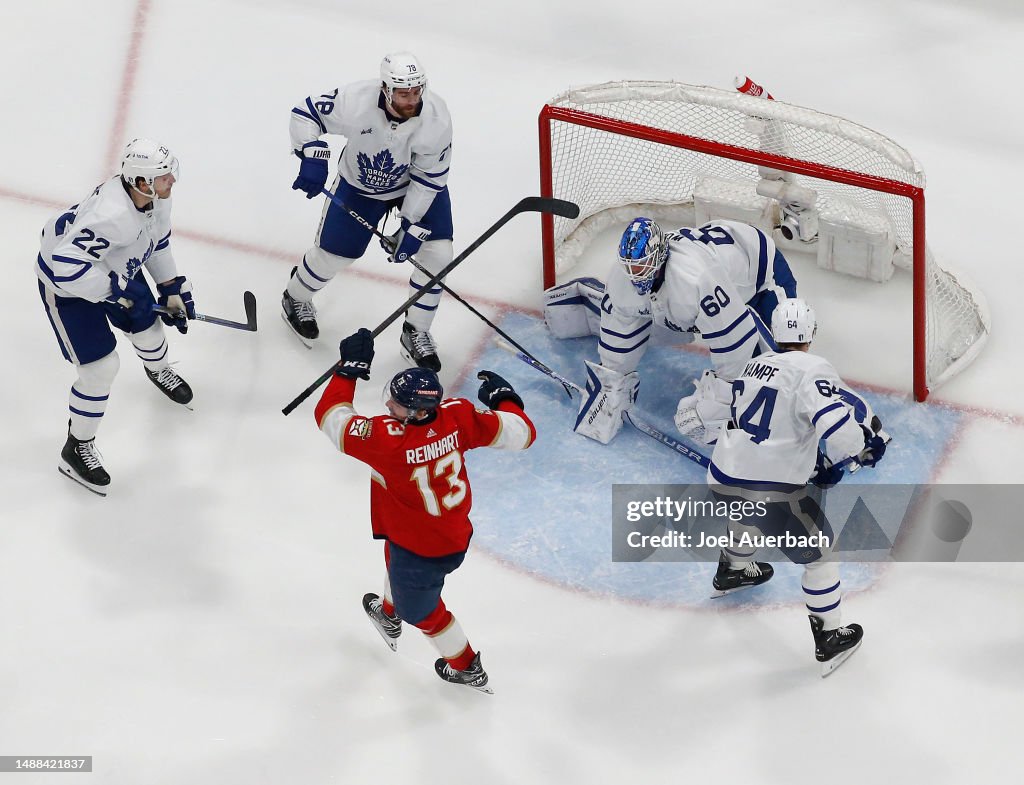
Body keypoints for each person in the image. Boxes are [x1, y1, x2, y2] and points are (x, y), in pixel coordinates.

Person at [313, 328, 536, 693]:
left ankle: (467, 669)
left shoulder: (386, 440)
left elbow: (331, 418)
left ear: (417, 411)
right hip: (444, 532)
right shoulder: (459, 416)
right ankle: (388, 613)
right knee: (393, 557)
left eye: (397, 403)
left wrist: (347, 370)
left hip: (424, 551)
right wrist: (505, 399)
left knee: (423, 612)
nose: (388, 406)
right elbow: (524, 433)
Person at [706, 297, 889, 676]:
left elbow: (759, 426)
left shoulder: (752, 365)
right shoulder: (813, 368)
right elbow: (837, 429)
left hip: (721, 477)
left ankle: (734, 567)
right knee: (821, 554)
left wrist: (815, 463)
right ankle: (829, 636)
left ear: (775, 332)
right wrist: (859, 452)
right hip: (772, 491)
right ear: (811, 335)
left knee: (744, 507)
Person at [37, 138, 196, 496]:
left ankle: (158, 370)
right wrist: (115, 294)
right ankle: (76, 448)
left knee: (150, 329)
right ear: (141, 183)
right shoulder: (112, 215)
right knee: (100, 370)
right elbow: (64, 266)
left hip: (111, 267)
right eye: (163, 175)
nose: (172, 180)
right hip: (67, 288)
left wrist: (170, 288)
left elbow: (157, 241)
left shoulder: (153, 199)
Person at [283, 52, 454, 372]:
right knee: (334, 256)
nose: (413, 99)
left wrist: (410, 226)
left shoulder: (436, 118)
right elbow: (305, 113)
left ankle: (416, 331)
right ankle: (295, 296)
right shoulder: (355, 101)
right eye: (404, 93)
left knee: (439, 254)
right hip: (360, 186)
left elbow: (429, 179)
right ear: (386, 89)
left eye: (417, 91)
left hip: (413, 186)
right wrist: (311, 152)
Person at [573, 217, 797, 444]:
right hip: (709, 269)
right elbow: (619, 331)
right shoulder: (622, 278)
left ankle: (794, 437)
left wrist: (718, 404)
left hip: (758, 267)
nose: (635, 273)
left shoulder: (695, 278)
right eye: (630, 265)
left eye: (642, 264)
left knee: (782, 361)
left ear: (660, 255)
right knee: (646, 312)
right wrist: (611, 379)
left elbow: (736, 339)